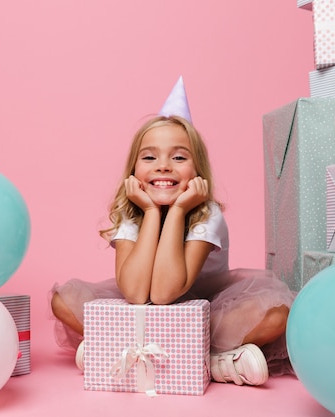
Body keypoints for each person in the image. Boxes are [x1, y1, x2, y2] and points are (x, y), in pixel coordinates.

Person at [50, 77, 295, 386]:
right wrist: (151, 212)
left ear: (197, 172)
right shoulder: (132, 210)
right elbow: (138, 294)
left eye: (179, 157)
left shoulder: (208, 214)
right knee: (63, 300)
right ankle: (205, 360)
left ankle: (191, 358)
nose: (163, 166)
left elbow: (166, 293)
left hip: (208, 306)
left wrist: (178, 210)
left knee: (276, 314)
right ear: (133, 171)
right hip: (148, 309)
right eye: (149, 157)